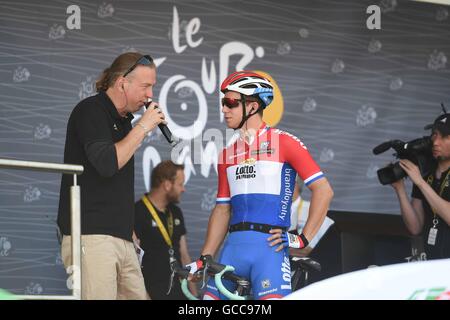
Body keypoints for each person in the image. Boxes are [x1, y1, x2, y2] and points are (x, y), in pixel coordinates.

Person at [186, 71, 334, 300]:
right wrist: (205, 258)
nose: (224, 109)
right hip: (232, 250)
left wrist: (303, 238)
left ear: (253, 106)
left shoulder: (284, 143)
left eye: (231, 102)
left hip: (269, 253)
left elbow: (324, 190)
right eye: (223, 103)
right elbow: (223, 209)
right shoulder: (227, 154)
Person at [57, 52, 166, 299]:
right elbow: (107, 164)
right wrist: (143, 126)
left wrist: (127, 227)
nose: (150, 95)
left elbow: (114, 183)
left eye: (152, 87)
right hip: (91, 235)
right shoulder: (91, 110)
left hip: (122, 238)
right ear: (121, 83)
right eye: (145, 86)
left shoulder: (125, 123)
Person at [134, 160, 198, 300]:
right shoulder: (137, 212)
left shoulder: (176, 212)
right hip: (152, 291)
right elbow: (132, 261)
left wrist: (195, 295)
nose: (183, 189)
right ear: (167, 185)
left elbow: (184, 254)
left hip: (180, 291)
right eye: (180, 184)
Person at [392, 113, 450, 260]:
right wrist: (400, 189)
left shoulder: (421, 180)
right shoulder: (426, 174)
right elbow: (415, 227)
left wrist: (420, 182)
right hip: (432, 264)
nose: (436, 142)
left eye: (445, 136)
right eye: (434, 135)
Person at [288, 176, 334, 257]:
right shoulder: (268, 211)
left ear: (295, 185)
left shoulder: (316, 209)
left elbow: (329, 245)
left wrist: (313, 252)